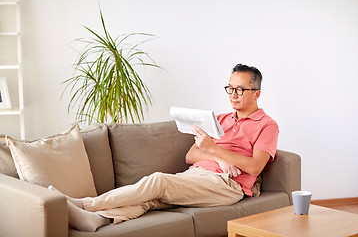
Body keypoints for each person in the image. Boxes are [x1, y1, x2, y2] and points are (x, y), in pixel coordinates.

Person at [51, 63, 279, 232]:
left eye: (240, 90)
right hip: (198, 175)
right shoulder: (220, 118)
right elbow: (192, 154)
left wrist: (214, 149)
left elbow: (255, 166)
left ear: (256, 93)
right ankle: (98, 220)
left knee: (158, 181)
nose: (233, 95)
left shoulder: (267, 125)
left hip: (227, 185)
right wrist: (220, 159)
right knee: (152, 199)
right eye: (229, 88)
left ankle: (86, 203)